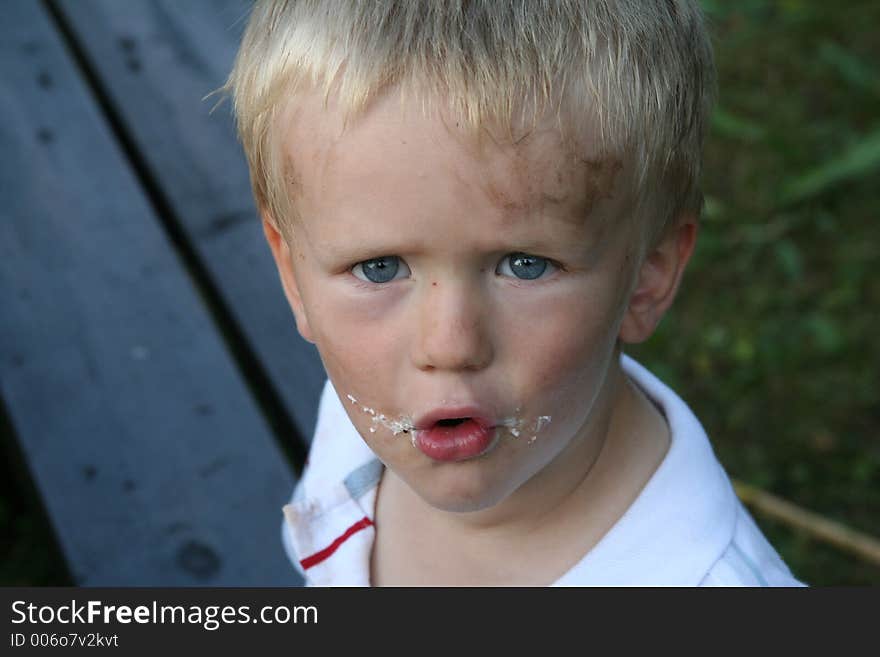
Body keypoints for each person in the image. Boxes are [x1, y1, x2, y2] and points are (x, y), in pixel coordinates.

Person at [223, 0, 803, 586]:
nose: (448, 346)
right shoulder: (355, 422)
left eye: (524, 266)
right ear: (293, 274)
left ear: (647, 275)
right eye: (378, 268)